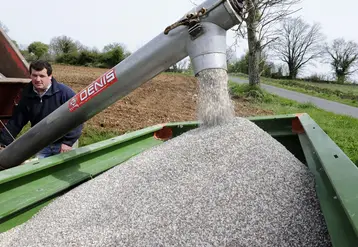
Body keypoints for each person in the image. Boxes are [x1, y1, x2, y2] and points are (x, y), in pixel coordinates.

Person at [0, 60, 83, 158]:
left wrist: (68, 142)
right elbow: (17, 121)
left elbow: (78, 116)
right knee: (40, 171)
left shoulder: (64, 92)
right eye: (34, 75)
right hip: (41, 144)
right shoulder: (27, 94)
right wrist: (3, 142)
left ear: (50, 76)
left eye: (42, 76)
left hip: (63, 144)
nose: (38, 79)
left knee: (64, 171)